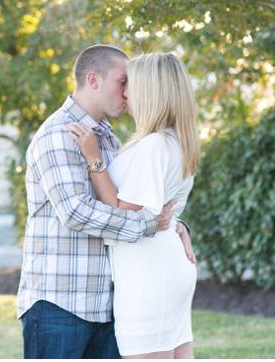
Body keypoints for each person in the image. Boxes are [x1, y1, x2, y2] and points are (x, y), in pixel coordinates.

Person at [17, 44, 194, 359]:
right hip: (61, 302)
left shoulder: (108, 139)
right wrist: (150, 225)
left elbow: (138, 200)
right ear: (94, 80)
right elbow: (75, 211)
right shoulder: (59, 134)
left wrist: (174, 225)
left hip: (105, 301)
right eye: (122, 82)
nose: (128, 93)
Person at [68, 52, 199, 358]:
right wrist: (179, 225)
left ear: (152, 92)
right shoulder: (174, 140)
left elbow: (123, 214)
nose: (125, 92)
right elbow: (155, 210)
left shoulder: (154, 145)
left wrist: (93, 158)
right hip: (164, 268)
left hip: (148, 277)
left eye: (131, 85)